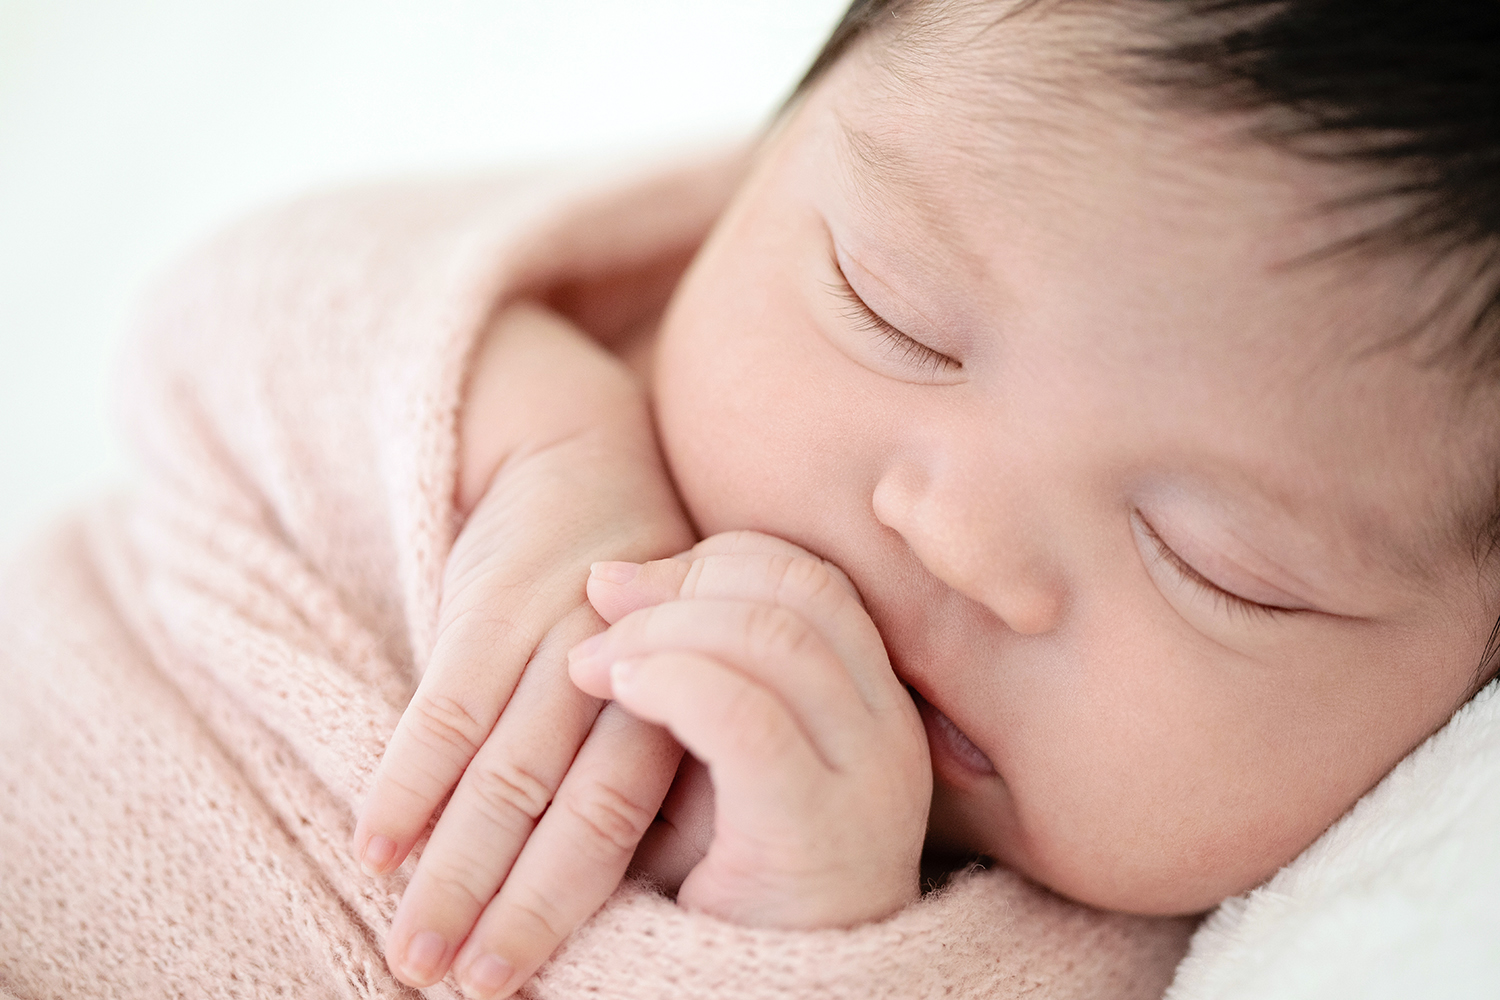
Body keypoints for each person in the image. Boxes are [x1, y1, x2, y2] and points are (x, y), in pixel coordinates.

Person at [1, 1, 1496, 998]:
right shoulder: (581, 335)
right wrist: (534, 449)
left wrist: (812, 922)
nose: (959, 541)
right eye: (892, 310)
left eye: (1216, 565)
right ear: (759, 175)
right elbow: (226, 327)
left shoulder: (1146, 944)